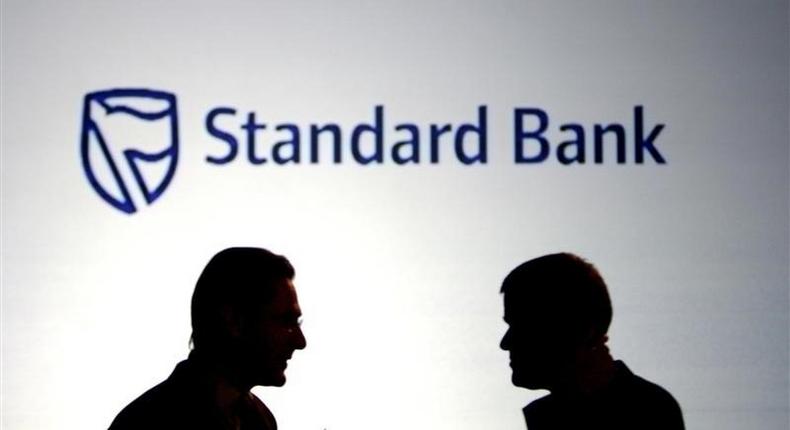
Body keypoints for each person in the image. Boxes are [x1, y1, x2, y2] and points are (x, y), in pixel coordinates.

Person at [109, 247, 306, 430]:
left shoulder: (258, 419)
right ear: (235, 322)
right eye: (286, 322)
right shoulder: (147, 422)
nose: (300, 341)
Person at [500, 253, 684, 429]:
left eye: (524, 326)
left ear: (581, 329)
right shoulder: (646, 406)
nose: (505, 343)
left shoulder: (647, 410)